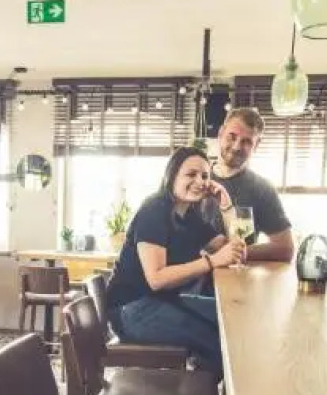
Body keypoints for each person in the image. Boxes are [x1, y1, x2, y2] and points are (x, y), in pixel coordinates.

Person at [104, 147, 244, 376]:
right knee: (217, 342)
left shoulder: (189, 215)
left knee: (227, 324)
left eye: (205, 176)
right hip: (131, 309)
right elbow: (156, 278)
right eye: (191, 174)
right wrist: (211, 262)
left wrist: (226, 206)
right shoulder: (154, 210)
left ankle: (198, 384)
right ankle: (197, 394)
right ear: (172, 176)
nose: (200, 181)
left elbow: (231, 246)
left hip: (161, 302)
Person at [211, 106, 295, 263]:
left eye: (246, 141)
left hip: (238, 277)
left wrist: (234, 252)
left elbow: (285, 249)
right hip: (189, 277)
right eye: (232, 137)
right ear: (221, 133)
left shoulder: (262, 189)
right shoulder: (194, 179)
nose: (236, 146)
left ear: (256, 145)